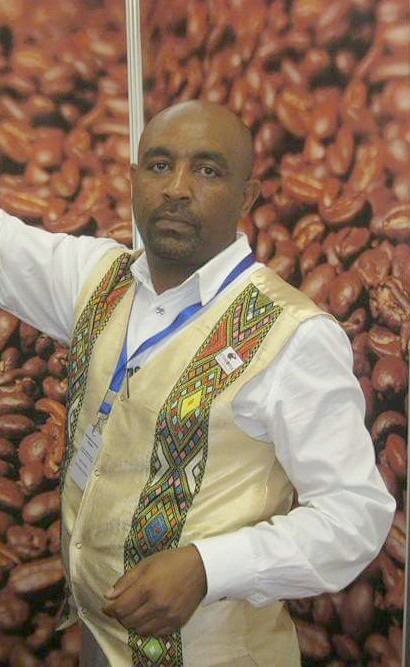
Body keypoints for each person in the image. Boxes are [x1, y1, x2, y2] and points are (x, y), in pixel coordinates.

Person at [0, 101, 395, 667]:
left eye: (207, 170)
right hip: (99, 639)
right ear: (133, 179)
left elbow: (356, 514)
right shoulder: (98, 279)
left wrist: (210, 567)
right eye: (159, 166)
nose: (177, 189)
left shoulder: (293, 335)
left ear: (247, 196)